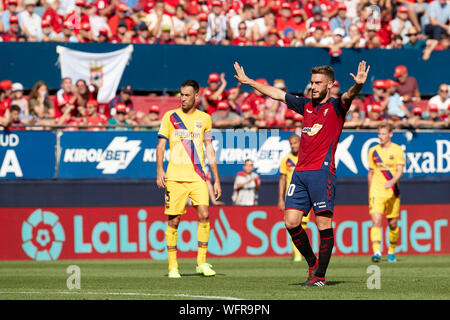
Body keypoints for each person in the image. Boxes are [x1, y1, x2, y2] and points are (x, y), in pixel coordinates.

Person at [233, 60, 370, 286]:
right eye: (312, 82)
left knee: (323, 224)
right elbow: (277, 94)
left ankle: (320, 277)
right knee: (291, 222)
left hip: (322, 173)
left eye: (318, 82)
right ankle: (312, 263)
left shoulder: (336, 107)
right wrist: (248, 82)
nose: (313, 86)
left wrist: (358, 87)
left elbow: (348, 96)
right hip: (300, 173)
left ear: (329, 85)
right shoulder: (305, 105)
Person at [156, 79, 222, 279]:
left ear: (196, 96)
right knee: (174, 221)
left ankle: (201, 263)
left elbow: (209, 149)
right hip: (175, 177)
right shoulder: (170, 117)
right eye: (181, 95)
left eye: (186, 95)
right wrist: (159, 170)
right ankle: (173, 266)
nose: (182, 98)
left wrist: (216, 179)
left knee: (204, 215)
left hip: (198, 176)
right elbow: (160, 146)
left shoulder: (206, 118)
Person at [368, 122, 405, 263]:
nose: (381, 137)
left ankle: (391, 252)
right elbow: (371, 172)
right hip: (376, 192)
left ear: (390, 134)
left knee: (393, 223)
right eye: (379, 134)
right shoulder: (373, 151)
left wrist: (392, 181)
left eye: (383, 134)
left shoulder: (397, 150)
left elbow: (400, 170)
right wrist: (370, 191)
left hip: (393, 191)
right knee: (376, 221)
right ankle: (377, 252)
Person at [278, 134, 310, 262]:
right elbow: (282, 180)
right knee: (293, 225)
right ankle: (297, 254)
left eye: (295, 143)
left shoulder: (306, 158)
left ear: (300, 143)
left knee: (303, 225)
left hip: (306, 195)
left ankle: (300, 252)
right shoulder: (286, 160)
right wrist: (280, 198)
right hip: (291, 196)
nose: (293, 145)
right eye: (291, 143)